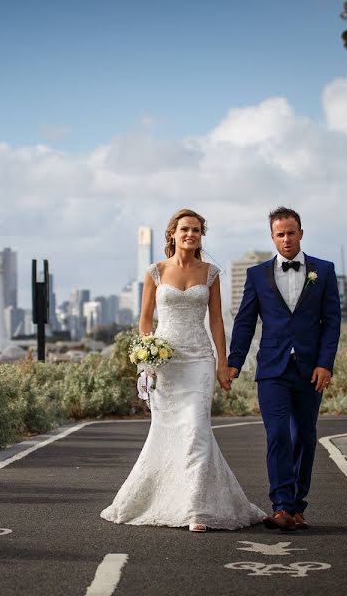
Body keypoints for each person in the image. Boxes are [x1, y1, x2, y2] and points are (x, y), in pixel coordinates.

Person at [101, 209, 265, 533]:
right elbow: (145, 319)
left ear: (201, 236)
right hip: (165, 362)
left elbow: (217, 320)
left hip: (200, 359)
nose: (191, 234)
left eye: (196, 230)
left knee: (196, 429)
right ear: (172, 234)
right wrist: (147, 358)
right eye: (185, 229)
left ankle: (195, 509)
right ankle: (164, 498)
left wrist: (222, 362)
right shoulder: (156, 272)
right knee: (166, 432)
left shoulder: (211, 273)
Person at [227, 207, 341, 532]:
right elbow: (245, 321)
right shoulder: (257, 275)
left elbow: (332, 322)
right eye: (280, 234)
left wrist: (325, 364)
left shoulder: (324, 271)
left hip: (310, 369)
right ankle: (280, 507)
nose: (286, 239)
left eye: (291, 233)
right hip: (272, 369)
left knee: (304, 436)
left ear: (301, 233)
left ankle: (297, 505)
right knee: (277, 434)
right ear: (272, 237)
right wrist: (234, 362)